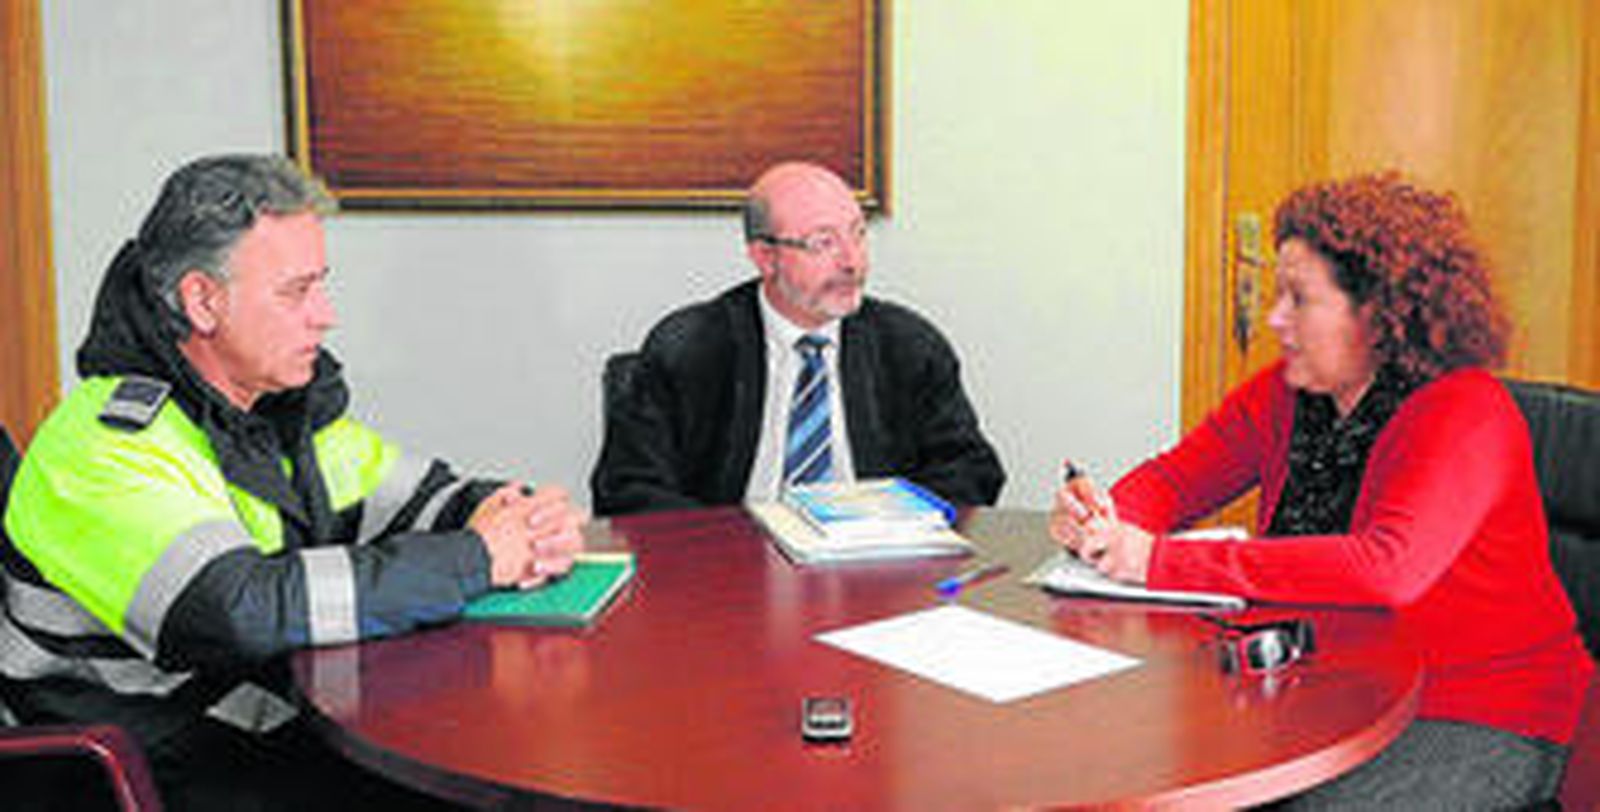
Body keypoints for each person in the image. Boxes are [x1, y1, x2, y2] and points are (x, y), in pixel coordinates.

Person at [0, 155, 585, 809]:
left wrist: (515, 516)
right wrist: (477, 557)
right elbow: (239, 610)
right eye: (295, 292)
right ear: (202, 301)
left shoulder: (266, 414)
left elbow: (414, 500)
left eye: (320, 286)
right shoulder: (104, 446)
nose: (324, 315)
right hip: (145, 767)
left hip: (254, 724)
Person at [1049, 172, 1590, 809]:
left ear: (1379, 315)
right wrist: (1104, 518)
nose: (1274, 318)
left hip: (1482, 715)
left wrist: (1156, 560)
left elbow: (1386, 567)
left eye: (1299, 299)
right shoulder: (1287, 392)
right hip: (1326, 696)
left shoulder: (1465, 412)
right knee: (1138, 765)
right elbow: (1174, 480)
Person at [590, 161, 1005, 515]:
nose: (851, 261)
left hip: (876, 565)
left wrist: (890, 524)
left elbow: (970, 470)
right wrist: (737, 545)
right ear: (765, 257)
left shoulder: (909, 345)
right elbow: (628, 489)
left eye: (858, 234)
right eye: (823, 243)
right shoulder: (689, 349)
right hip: (732, 567)